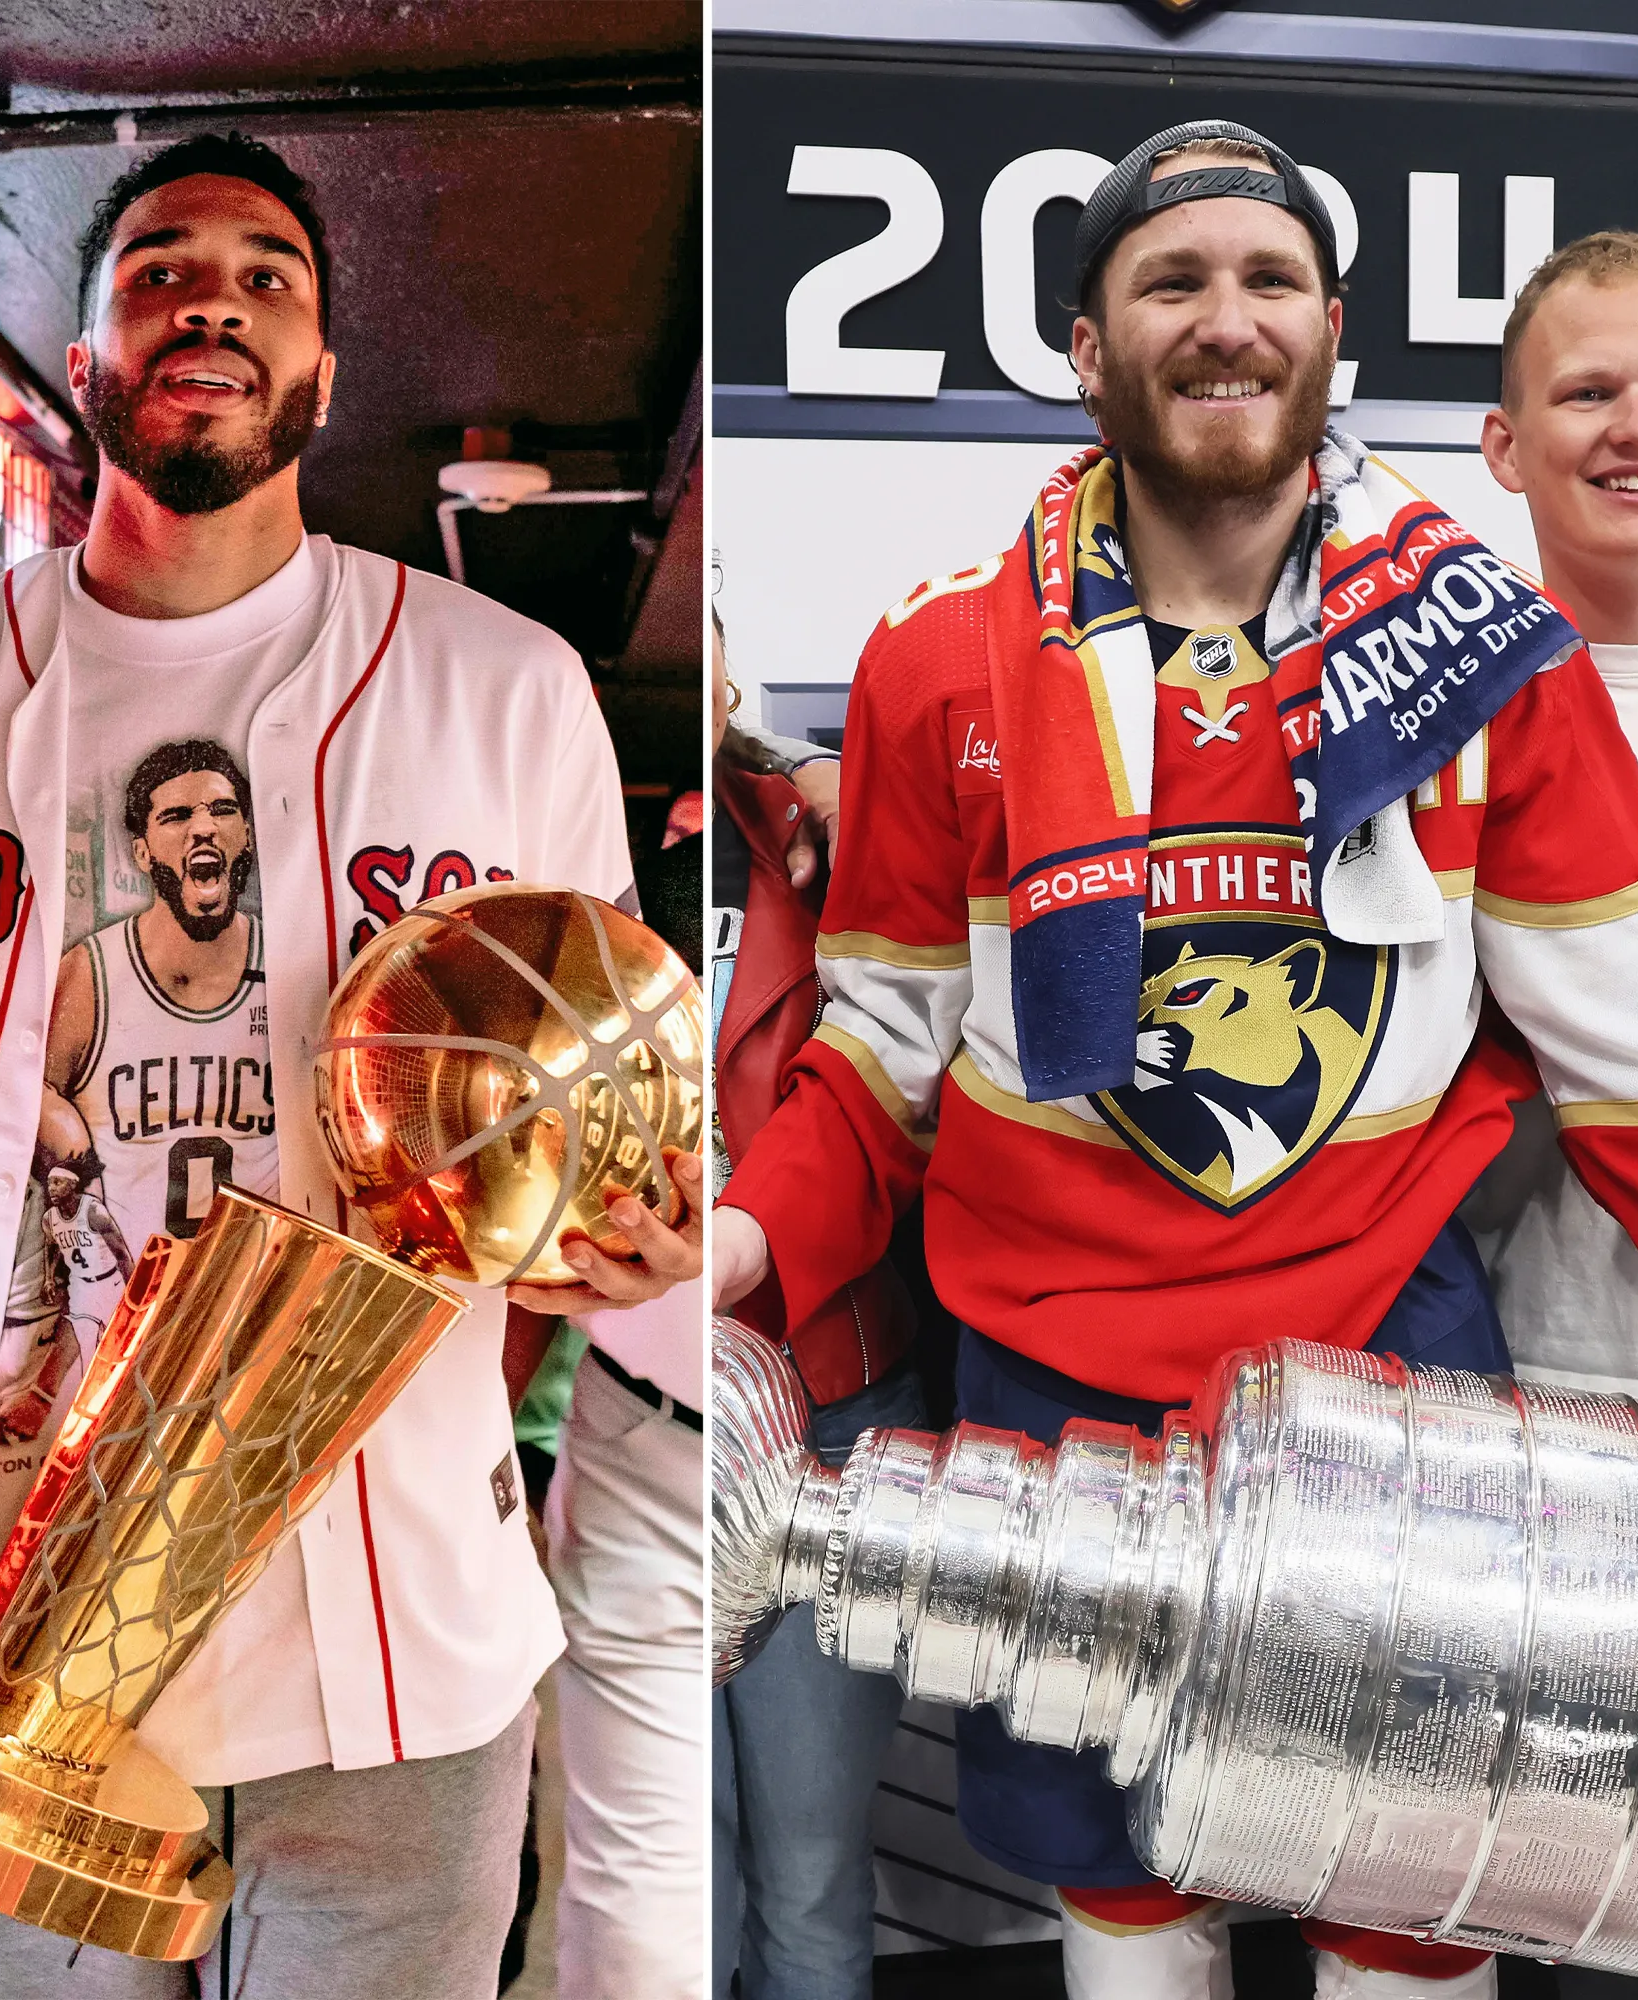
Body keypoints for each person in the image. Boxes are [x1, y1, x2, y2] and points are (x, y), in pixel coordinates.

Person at [713, 118, 1638, 2000]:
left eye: (1266, 281)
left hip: (1390, 1371)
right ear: (1085, 348)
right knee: (1129, 1894)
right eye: (1169, 281)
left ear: (1332, 330)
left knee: (1408, 1898)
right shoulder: (939, 661)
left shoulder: (1486, 654)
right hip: (1053, 1371)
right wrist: (748, 1244)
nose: (1222, 319)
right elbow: (889, 1058)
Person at [0, 131, 699, 2000]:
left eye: (268, 274)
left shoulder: (506, 693)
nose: (212, 297)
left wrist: (611, 1236)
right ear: (82, 356)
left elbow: (581, 1120)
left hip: (393, 1644)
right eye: (159, 265)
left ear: (323, 375)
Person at [709, 606, 922, 2000]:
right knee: (687, 1886)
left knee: (805, 1883)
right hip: (646, 1420)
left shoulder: (840, 823)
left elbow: (890, 1084)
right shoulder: (590, 815)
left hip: (826, 1421)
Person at [1468, 232, 1638, 1414]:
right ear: (1503, 448)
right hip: (1539, 1386)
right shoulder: (1435, 721)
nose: (1636, 425)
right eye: (1587, 393)